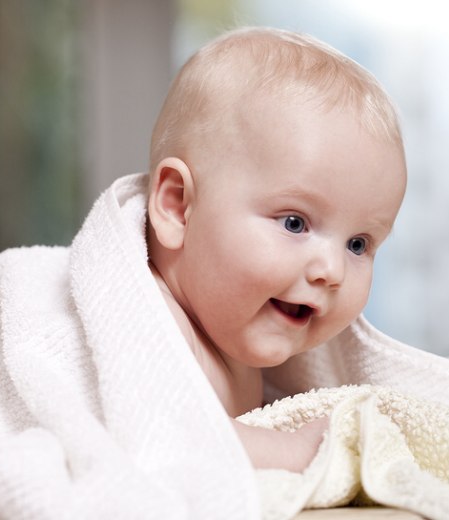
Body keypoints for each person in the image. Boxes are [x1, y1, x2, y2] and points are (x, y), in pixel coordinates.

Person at [144, 27, 407, 472]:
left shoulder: (233, 332)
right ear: (178, 207)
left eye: (358, 244)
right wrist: (299, 450)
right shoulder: (148, 316)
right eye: (294, 223)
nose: (332, 270)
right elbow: (160, 436)